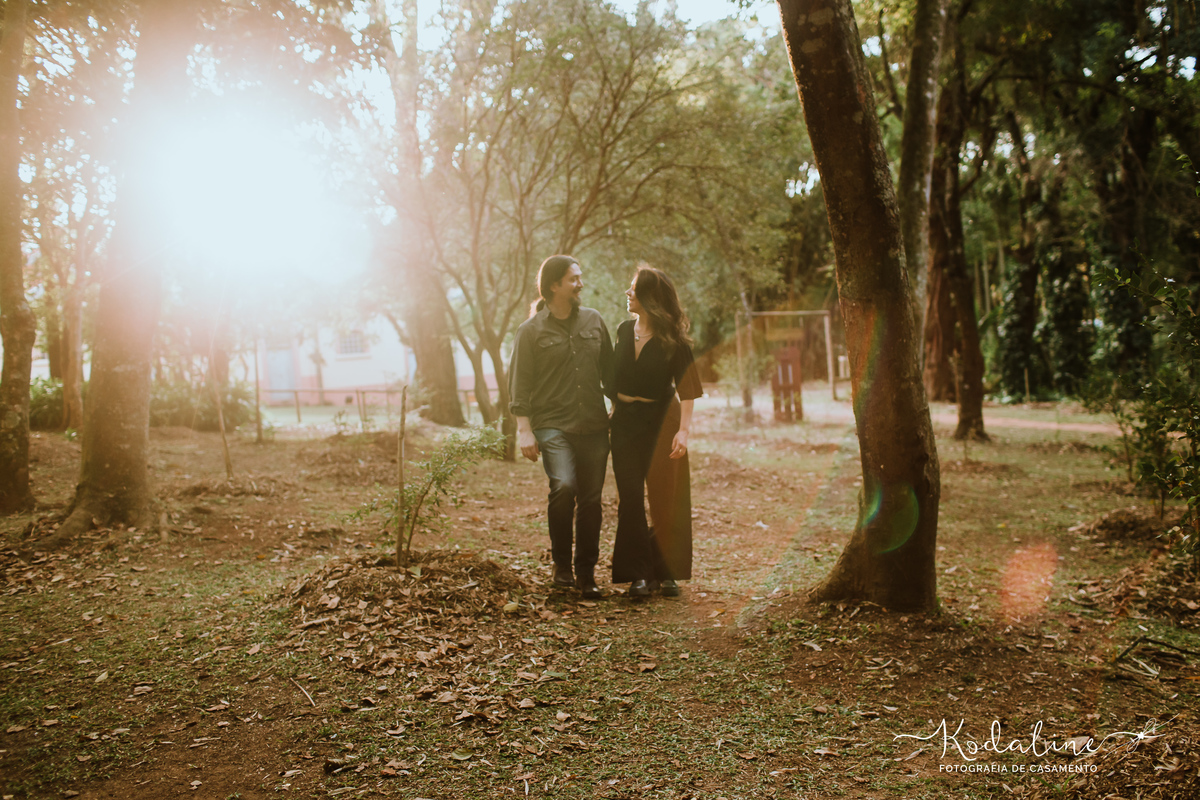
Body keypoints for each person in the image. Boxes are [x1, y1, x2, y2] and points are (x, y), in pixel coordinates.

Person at [509, 255, 614, 600]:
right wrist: (524, 429)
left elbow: (611, 371)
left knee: (591, 500)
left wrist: (621, 404)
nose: (580, 284)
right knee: (564, 486)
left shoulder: (594, 320)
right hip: (552, 424)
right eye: (573, 279)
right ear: (554, 285)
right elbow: (520, 384)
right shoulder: (530, 331)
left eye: (580, 277)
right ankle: (562, 567)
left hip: (594, 425)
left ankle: (586, 574)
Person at [610, 265, 702, 598]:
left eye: (633, 288)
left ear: (649, 296)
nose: (628, 293)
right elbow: (613, 376)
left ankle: (666, 572)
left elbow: (688, 389)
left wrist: (684, 432)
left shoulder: (672, 339)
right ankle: (638, 574)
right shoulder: (623, 330)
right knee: (631, 497)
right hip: (625, 423)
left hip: (663, 421)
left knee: (665, 496)